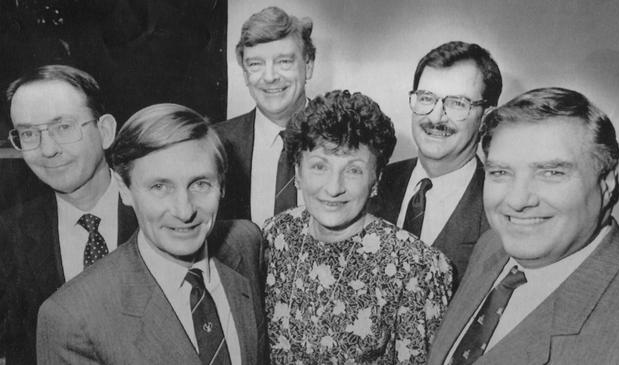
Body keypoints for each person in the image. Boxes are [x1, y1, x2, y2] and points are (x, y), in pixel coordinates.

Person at [427, 88, 619, 365]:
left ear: (607, 184)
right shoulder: (491, 246)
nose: (517, 201)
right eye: (500, 172)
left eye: (551, 173)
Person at [36, 104, 267, 364]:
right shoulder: (72, 318)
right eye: (160, 187)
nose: (184, 211)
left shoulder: (246, 243)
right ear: (124, 189)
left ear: (222, 185)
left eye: (201, 184)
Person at [264, 90, 453, 364]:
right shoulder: (277, 235)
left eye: (353, 170)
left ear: (375, 181)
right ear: (297, 173)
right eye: (319, 166)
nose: (334, 187)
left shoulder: (414, 266)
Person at [0, 65, 137, 364]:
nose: (47, 150)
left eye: (63, 127)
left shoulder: (159, 214)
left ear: (105, 131)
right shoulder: (8, 237)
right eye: (28, 134)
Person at [369, 41, 501, 287]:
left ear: (486, 117)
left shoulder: (499, 208)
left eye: (457, 103)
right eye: (426, 98)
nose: (436, 117)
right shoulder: (375, 181)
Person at [215, 6, 316, 226]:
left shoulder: (343, 136)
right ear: (245, 74)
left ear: (308, 66)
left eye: (284, 62)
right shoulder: (216, 142)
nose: (270, 77)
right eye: (255, 64)